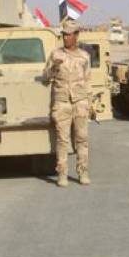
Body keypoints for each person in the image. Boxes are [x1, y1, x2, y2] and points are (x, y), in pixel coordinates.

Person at [43, 20, 92, 187]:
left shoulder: (84, 56)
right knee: (62, 140)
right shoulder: (55, 55)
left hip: (80, 102)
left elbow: (87, 81)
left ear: (76, 36)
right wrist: (54, 68)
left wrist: (90, 103)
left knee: (82, 139)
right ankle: (62, 174)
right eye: (64, 35)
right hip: (62, 103)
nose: (65, 38)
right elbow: (45, 77)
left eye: (69, 35)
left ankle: (83, 172)